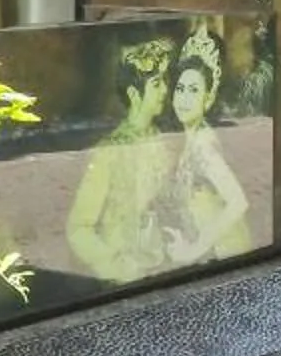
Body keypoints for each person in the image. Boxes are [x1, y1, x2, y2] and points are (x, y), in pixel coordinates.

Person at [63, 37, 175, 283]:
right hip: (125, 280)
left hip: (162, 270)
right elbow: (79, 229)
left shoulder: (161, 140)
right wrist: (115, 267)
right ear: (135, 94)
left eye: (164, 81)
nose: (165, 90)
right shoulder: (110, 152)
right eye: (157, 83)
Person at [156, 25, 251, 265]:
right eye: (180, 89)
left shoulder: (202, 147)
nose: (184, 99)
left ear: (208, 99)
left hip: (223, 255)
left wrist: (192, 250)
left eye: (194, 90)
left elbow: (238, 201)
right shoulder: (191, 138)